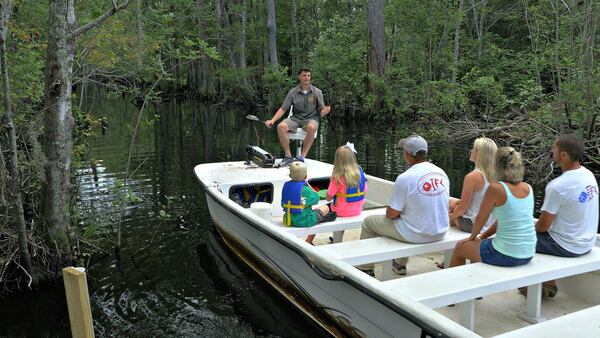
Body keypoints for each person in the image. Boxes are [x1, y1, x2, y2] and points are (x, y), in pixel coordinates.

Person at [357, 135, 449, 277]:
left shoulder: (405, 178)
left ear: (407, 154)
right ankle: (399, 265)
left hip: (417, 234)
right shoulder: (441, 173)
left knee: (369, 223)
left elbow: (392, 214)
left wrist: (391, 210)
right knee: (406, 218)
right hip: (440, 231)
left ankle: (365, 267)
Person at [524, 134, 599, 298]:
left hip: (567, 246)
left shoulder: (557, 186)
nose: (552, 151)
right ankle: (549, 283)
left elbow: (543, 226)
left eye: (554, 148)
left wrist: (530, 229)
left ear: (563, 155)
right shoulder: (588, 176)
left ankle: (531, 286)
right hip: (587, 242)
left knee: (521, 238)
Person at [450, 147, 536, 268]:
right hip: (528, 253)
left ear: (497, 166)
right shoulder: (528, 188)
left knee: (460, 248)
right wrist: (481, 237)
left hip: (506, 254)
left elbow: (480, 218)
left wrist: (472, 238)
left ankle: (457, 285)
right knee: (479, 246)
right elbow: (503, 220)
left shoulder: (496, 188)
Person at [265, 68, 331, 166]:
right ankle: (288, 156)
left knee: (311, 127)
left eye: (308, 75)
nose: (306, 78)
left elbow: (321, 112)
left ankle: (302, 157)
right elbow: (283, 109)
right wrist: (273, 120)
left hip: (311, 118)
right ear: (299, 77)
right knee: (281, 127)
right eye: (304, 75)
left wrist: (325, 112)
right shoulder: (293, 92)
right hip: (296, 118)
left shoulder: (317, 92)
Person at [311, 143, 367, 244]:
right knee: (337, 207)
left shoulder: (337, 177)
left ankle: (308, 240)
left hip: (341, 211)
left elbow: (328, 197)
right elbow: (365, 189)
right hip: (357, 210)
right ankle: (337, 240)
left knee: (318, 212)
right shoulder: (359, 173)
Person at [449, 137, 498, 233]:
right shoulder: (498, 176)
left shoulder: (472, 177)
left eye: (474, 149)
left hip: (473, 224)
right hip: (491, 224)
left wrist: (450, 217)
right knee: (454, 203)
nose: (471, 151)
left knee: (446, 213)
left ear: (480, 154)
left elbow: (463, 208)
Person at [281, 162, 335, 245]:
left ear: (290, 175)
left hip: (289, 219)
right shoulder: (306, 190)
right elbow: (316, 198)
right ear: (305, 177)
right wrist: (309, 185)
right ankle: (309, 241)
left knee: (313, 211)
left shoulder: (286, 186)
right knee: (326, 208)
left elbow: (282, 204)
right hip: (306, 220)